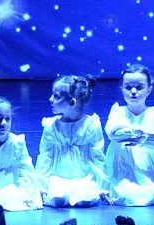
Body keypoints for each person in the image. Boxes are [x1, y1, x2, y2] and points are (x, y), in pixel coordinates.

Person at [103, 62, 154, 206]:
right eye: (128, 87)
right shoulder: (118, 112)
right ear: (122, 89)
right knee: (126, 194)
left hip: (149, 169)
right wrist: (142, 131)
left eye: (139, 87)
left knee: (152, 194)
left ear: (149, 90)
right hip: (123, 168)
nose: (133, 91)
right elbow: (113, 133)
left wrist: (144, 139)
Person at [36, 74, 108, 208]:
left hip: (84, 176)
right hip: (58, 176)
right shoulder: (51, 126)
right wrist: (42, 186)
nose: (50, 99)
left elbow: (97, 156)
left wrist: (102, 185)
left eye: (56, 96)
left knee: (87, 199)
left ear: (72, 102)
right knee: (58, 198)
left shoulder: (91, 124)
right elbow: (45, 156)